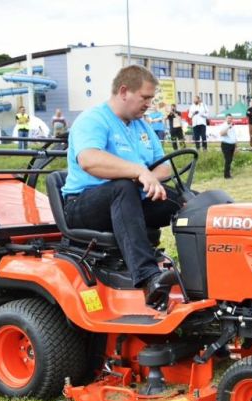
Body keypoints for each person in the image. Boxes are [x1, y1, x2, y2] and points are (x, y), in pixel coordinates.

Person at [62, 64, 181, 299]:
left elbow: (164, 167)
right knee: (123, 187)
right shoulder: (93, 119)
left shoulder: (142, 126)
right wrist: (137, 172)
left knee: (185, 201)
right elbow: (89, 160)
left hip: (128, 199)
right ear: (124, 91)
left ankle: (201, 270)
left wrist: (148, 179)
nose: (149, 104)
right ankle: (148, 276)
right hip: (83, 205)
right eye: (145, 97)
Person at [219, 114, 237, 178]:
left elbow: (234, 137)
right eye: (228, 118)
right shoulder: (223, 125)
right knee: (228, 160)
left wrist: (236, 147)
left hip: (232, 145)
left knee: (230, 160)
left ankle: (228, 173)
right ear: (226, 119)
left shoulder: (233, 126)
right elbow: (221, 133)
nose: (230, 119)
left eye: (231, 118)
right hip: (226, 144)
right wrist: (228, 127)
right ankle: (226, 175)